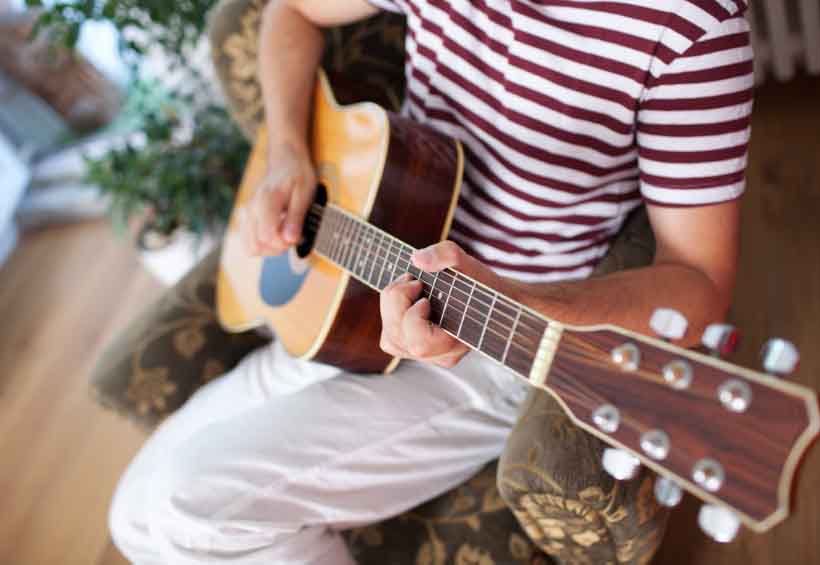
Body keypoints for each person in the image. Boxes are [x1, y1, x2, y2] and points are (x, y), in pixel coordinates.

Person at [109, 0, 753, 563]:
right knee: (134, 517)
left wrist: (521, 302)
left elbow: (697, 282)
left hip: (494, 343)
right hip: (350, 292)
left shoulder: (692, 26)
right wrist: (287, 152)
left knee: (193, 509)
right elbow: (290, 10)